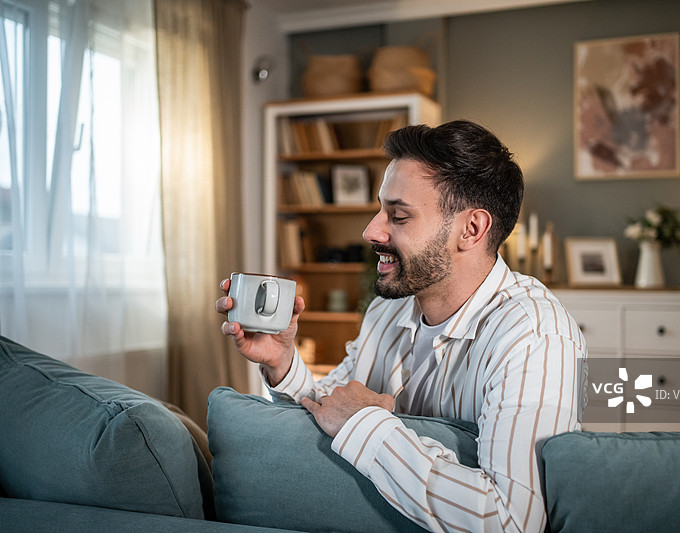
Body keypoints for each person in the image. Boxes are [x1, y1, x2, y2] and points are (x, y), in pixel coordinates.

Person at [216, 120, 587, 533]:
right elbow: (334, 405)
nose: (371, 231)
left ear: (471, 229)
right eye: (380, 210)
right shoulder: (386, 312)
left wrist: (366, 426)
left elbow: (510, 521)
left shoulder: (534, 336)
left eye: (399, 216)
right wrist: (283, 362)